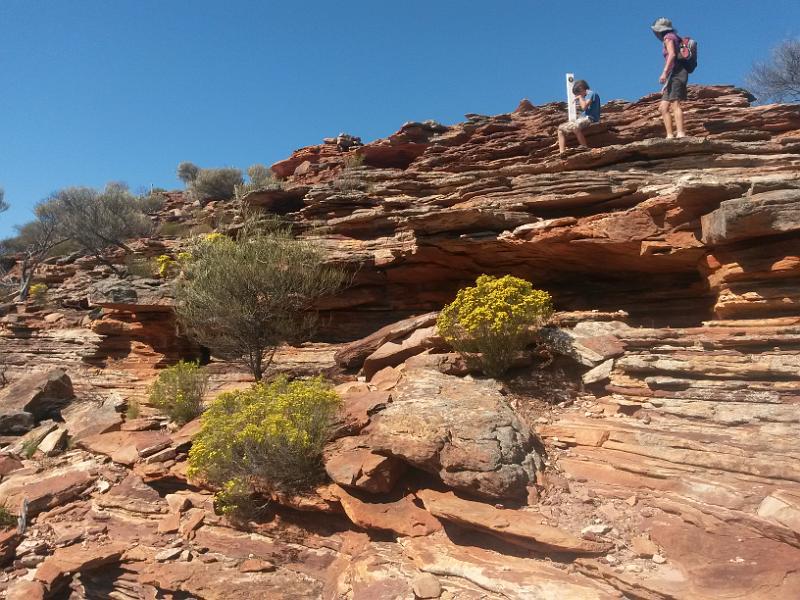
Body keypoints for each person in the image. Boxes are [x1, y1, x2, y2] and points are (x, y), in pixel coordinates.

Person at [652, 17, 688, 138]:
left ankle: (680, 133)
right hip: (672, 75)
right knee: (663, 107)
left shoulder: (669, 37)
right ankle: (669, 135)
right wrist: (667, 81)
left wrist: (664, 72)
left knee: (675, 103)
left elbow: (672, 55)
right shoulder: (673, 37)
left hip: (677, 73)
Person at [558, 80, 601, 154]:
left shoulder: (592, 94)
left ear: (581, 88)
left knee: (575, 126)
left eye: (578, 93)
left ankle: (584, 146)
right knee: (560, 129)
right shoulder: (586, 96)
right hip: (583, 118)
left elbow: (584, 107)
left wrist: (580, 97)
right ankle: (562, 152)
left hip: (590, 118)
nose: (578, 95)